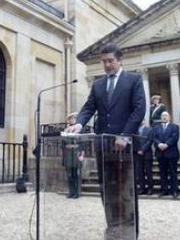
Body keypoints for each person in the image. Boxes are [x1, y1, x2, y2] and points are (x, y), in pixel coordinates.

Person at [67, 43, 146, 240]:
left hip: (125, 147)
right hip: (104, 146)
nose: (107, 65)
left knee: (126, 191)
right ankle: (112, 228)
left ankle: (129, 232)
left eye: (111, 61)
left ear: (120, 60)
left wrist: (124, 136)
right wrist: (78, 125)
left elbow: (139, 110)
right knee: (107, 189)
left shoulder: (134, 80)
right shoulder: (98, 84)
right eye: (104, 61)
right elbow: (88, 108)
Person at [153, 111, 180, 198]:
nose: (164, 117)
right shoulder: (156, 127)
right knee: (162, 173)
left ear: (169, 117)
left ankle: (174, 190)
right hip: (160, 154)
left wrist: (166, 144)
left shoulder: (174, 127)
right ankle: (164, 190)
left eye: (166, 115)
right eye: (163, 116)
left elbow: (174, 137)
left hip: (171, 153)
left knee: (173, 172)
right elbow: (154, 137)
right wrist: (159, 144)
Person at [61, 112, 84, 199]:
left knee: (76, 174)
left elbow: (83, 142)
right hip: (68, 155)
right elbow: (63, 144)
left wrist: (81, 153)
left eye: (73, 118)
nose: (71, 120)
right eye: (70, 118)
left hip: (76, 154)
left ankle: (76, 192)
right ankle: (71, 192)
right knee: (69, 175)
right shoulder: (66, 130)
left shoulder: (79, 129)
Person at [134, 121, 154, 195]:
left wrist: (142, 149)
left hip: (147, 154)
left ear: (144, 121)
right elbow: (133, 140)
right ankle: (142, 188)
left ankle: (150, 188)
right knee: (139, 173)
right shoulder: (135, 130)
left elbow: (150, 140)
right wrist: (138, 149)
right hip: (137, 154)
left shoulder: (149, 129)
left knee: (149, 172)